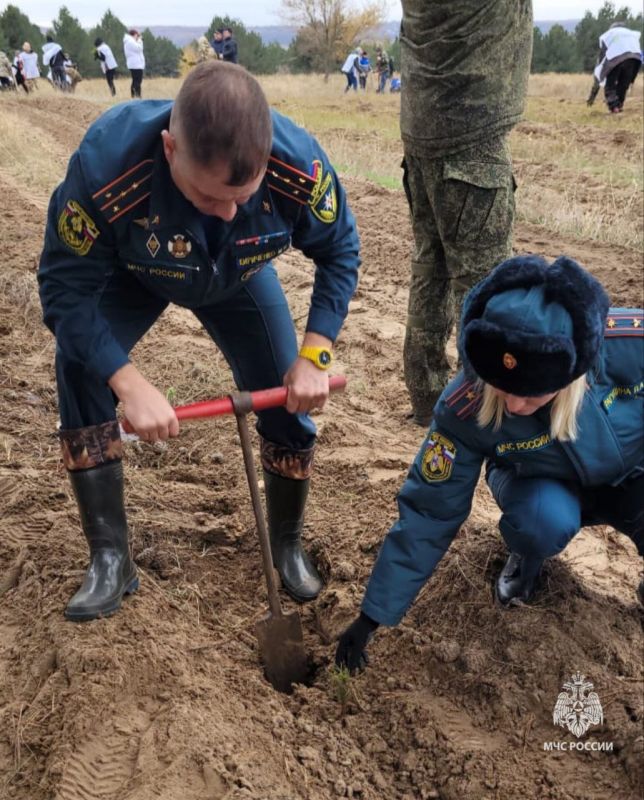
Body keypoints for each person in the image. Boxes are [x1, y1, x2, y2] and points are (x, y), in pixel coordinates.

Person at [38, 61, 360, 622]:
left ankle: (286, 545)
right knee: (80, 365)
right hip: (138, 272)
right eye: (209, 199)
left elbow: (340, 251)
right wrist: (129, 381)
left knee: (286, 392)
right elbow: (65, 292)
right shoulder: (107, 168)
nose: (228, 211)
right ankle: (111, 558)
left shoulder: (299, 168)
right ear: (169, 148)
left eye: (243, 196)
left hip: (239, 276)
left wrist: (315, 355)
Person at [336, 256, 644, 672]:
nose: (514, 405)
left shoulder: (626, 343)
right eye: (504, 389)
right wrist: (372, 616)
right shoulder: (463, 406)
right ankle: (525, 559)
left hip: (630, 475)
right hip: (537, 481)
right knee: (542, 523)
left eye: (533, 395)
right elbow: (431, 510)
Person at [399, 1, 533, 426]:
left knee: (431, 266)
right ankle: (484, 411)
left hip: (421, 134)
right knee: (485, 283)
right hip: (472, 139)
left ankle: (427, 397)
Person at [593, 21, 641, 113]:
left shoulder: (609, 34)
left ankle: (614, 107)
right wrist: (632, 78)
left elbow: (602, 54)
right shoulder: (632, 34)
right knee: (623, 85)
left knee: (610, 85)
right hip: (634, 59)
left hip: (616, 59)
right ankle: (619, 105)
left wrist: (599, 71)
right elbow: (637, 51)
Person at [123, 29, 145, 98]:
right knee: (137, 81)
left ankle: (134, 96)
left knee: (135, 81)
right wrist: (140, 40)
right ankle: (137, 96)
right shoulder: (130, 41)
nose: (137, 37)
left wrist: (137, 40)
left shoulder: (129, 41)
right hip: (136, 65)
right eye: (137, 35)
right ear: (134, 34)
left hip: (135, 64)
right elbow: (139, 48)